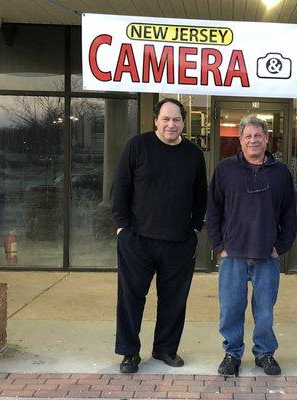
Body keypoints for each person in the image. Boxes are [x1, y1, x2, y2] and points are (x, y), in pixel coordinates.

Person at [112, 98, 207, 373]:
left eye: (176, 119)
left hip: (179, 242)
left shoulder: (193, 153)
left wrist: (195, 229)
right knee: (131, 299)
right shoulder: (137, 146)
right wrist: (122, 228)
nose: (171, 124)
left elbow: (201, 193)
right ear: (156, 120)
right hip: (137, 240)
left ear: (183, 122)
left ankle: (165, 349)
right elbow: (120, 187)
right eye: (165, 119)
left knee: (174, 300)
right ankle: (129, 352)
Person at [207, 114, 297, 376]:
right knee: (231, 310)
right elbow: (213, 211)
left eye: (258, 135)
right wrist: (218, 245)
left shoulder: (281, 173)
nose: (253, 140)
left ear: (267, 139)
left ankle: (265, 353)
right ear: (240, 139)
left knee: (265, 312)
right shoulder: (225, 170)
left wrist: (281, 246)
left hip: (266, 256)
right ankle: (232, 353)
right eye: (248, 136)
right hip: (232, 255)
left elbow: (289, 213)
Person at [272, 136, 297, 217]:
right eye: (279, 142)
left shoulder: (293, 161)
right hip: (274, 194)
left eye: (283, 142)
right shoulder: (271, 159)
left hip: (290, 194)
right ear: (276, 144)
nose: (281, 144)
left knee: (288, 218)